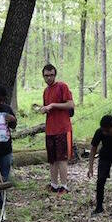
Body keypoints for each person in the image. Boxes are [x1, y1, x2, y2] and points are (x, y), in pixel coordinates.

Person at [39, 63, 75, 193]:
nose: (49, 78)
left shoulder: (62, 86)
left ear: (55, 75)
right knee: (52, 159)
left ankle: (64, 186)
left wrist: (53, 105)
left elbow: (71, 105)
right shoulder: (46, 91)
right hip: (50, 129)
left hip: (63, 128)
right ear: (43, 76)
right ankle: (53, 184)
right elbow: (47, 108)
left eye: (51, 75)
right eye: (46, 76)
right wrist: (44, 109)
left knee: (62, 158)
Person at [88, 115, 112, 216]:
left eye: (107, 131)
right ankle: (99, 207)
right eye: (103, 130)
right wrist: (90, 167)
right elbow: (93, 148)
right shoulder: (99, 132)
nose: (105, 133)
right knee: (100, 180)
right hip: (105, 157)